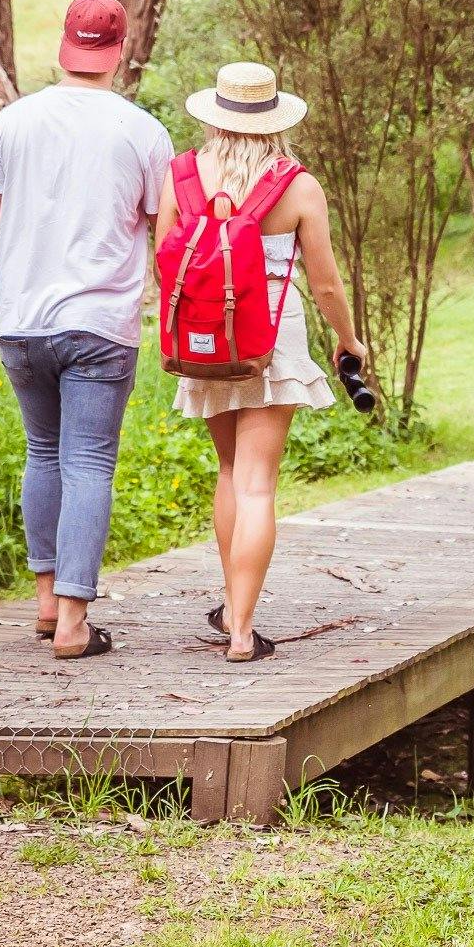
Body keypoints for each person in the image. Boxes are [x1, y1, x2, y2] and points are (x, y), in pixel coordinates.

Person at [0, 0, 174, 660]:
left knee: (43, 451)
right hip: (101, 324)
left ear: (64, 48)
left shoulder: (13, 123)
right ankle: (74, 623)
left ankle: (46, 604)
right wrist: (174, 313)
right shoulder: (143, 132)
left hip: (22, 323)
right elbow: (166, 235)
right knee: (88, 461)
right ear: (120, 52)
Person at [157, 62, 367, 662]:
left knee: (228, 473)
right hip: (272, 339)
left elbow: (165, 263)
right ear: (274, 120)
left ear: (215, 115)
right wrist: (348, 340)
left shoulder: (183, 177)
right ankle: (244, 631)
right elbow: (325, 285)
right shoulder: (297, 186)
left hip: (205, 339)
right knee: (257, 487)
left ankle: (229, 609)